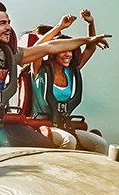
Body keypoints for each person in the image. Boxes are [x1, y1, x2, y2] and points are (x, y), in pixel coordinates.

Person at [0, 0, 109, 147]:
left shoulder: (11, 54)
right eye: (2, 23)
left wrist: (88, 39)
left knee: (43, 144)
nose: (9, 27)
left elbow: (49, 47)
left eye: (9, 22)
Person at [25, 10, 110, 152]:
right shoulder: (40, 70)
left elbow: (90, 47)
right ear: (53, 52)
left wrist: (91, 23)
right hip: (41, 124)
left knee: (99, 143)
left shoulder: (71, 71)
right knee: (68, 141)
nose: (68, 54)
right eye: (64, 50)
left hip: (64, 125)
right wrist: (59, 27)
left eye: (71, 50)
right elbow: (36, 49)